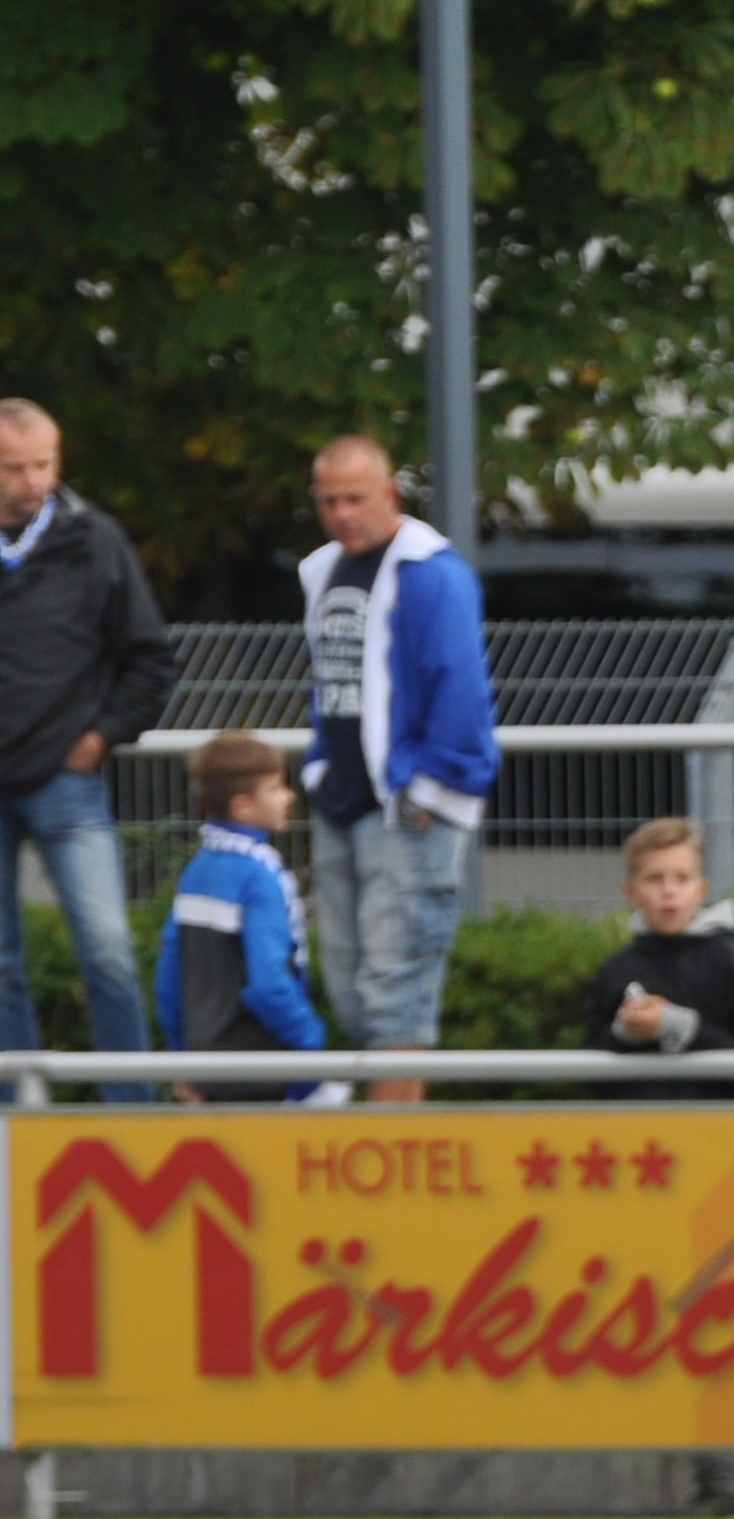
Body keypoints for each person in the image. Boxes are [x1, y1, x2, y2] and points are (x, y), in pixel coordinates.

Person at [294, 436, 498, 1104]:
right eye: (329, 500)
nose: (343, 513)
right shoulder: (323, 570)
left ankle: (394, 1158)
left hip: (409, 807)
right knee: (350, 983)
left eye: (356, 498)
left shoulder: (433, 573)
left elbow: (462, 691)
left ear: (390, 496)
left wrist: (430, 789)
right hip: (346, 800)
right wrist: (320, 770)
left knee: (397, 990)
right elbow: (330, 683)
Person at [0, 398, 174, 1088]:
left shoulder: (95, 540)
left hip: (66, 780)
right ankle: (14, 1119)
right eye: (14, 469)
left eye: (43, 464)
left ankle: (128, 1109)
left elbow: (152, 658)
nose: (32, 481)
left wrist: (100, 737)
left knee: (106, 948)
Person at [151, 731, 330, 1105]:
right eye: (276, 787)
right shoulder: (259, 876)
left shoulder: (197, 870)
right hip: (262, 1069)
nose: (289, 796)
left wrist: (182, 1054)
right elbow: (269, 983)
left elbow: (170, 974)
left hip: (206, 1065)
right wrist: (311, 1042)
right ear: (243, 806)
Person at [581, 820, 734, 1058]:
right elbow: (592, 1064)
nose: (669, 891)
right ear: (631, 892)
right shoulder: (615, 970)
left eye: (682, 878)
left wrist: (682, 1027)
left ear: (701, 890)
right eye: (654, 878)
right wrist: (625, 1034)